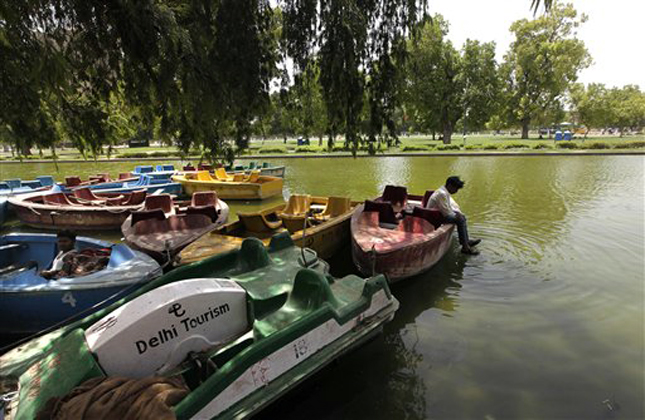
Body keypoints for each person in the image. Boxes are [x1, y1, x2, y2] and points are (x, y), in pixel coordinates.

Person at [426, 176, 481, 255]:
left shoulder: (444, 192)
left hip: (438, 214)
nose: (456, 191)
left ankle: (466, 241)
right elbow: (446, 213)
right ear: (450, 185)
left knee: (461, 217)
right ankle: (465, 247)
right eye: (456, 189)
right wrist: (457, 215)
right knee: (460, 219)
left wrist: (457, 213)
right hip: (434, 217)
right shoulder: (442, 194)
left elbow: (448, 207)